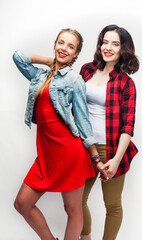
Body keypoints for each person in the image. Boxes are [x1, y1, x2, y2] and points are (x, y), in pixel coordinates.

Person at [12, 28, 108, 240]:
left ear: (76, 55)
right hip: (46, 154)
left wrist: (96, 159)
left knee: (72, 209)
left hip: (69, 153)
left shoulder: (75, 80)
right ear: (55, 44)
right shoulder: (40, 75)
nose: (64, 48)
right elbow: (18, 57)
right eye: (61, 43)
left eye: (70, 47)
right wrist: (50, 62)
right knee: (22, 203)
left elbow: (84, 121)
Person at [79, 25, 139, 240]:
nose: (108, 47)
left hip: (112, 149)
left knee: (112, 205)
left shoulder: (126, 83)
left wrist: (115, 160)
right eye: (105, 41)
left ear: (124, 48)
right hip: (84, 146)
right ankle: (85, 237)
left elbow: (127, 126)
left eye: (115, 43)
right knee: (77, 200)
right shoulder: (86, 70)